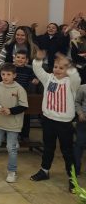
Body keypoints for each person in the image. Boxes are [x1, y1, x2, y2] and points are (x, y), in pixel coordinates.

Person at [31, 50, 80, 192]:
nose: (57, 70)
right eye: (55, 67)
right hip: (48, 120)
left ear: (68, 70)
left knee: (67, 151)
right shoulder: (48, 78)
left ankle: (72, 178)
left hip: (64, 123)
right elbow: (37, 69)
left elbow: (76, 77)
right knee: (48, 147)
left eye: (61, 67)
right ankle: (44, 170)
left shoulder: (71, 82)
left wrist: (69, 66)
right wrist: (38, 59)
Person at [12, 50, 38, 142]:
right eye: (18, 57)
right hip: (12, 96)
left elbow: (33, 79)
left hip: (24, 96)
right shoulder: (11, 69)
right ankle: (13, 134)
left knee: (25, 116)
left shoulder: (29, 70)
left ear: (26, 60)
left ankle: (25, 134)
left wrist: (35, 80)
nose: (20, 59)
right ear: (14, 58)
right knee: (13, 115)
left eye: (23, 58)